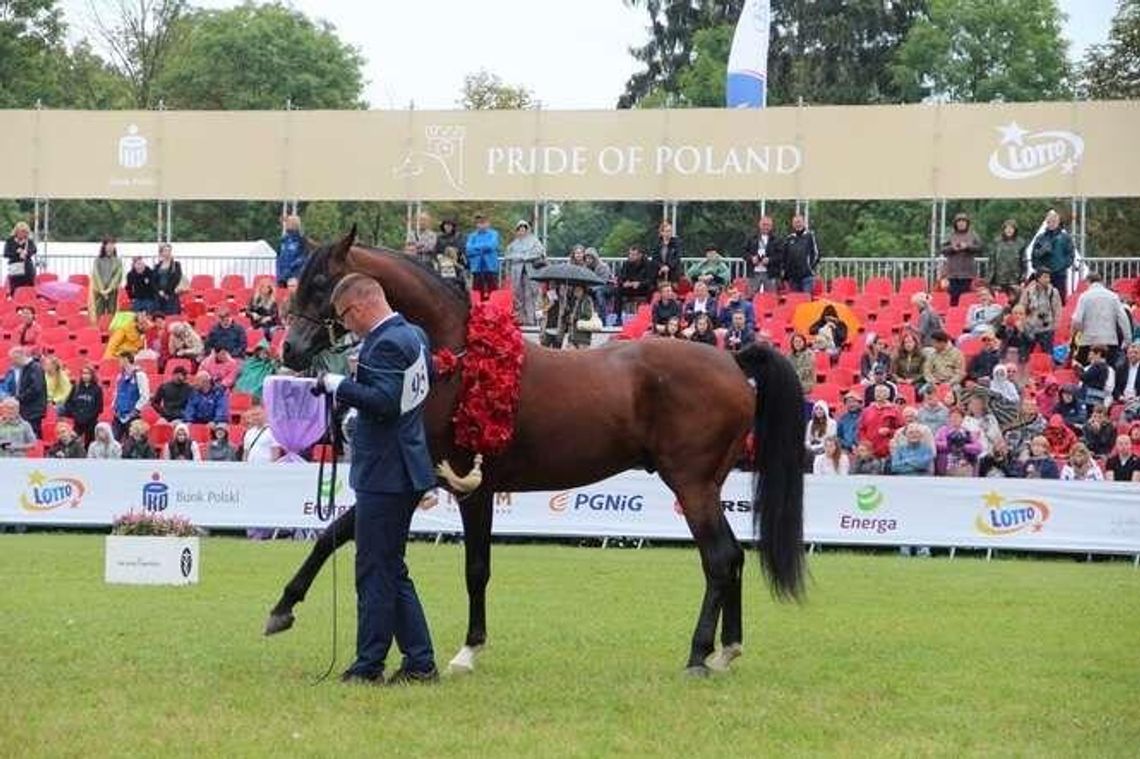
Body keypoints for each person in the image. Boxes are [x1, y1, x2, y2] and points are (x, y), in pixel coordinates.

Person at [314, 273, 438, 685]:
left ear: (362, 306)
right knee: (391, 567)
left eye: (345, 316)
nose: (346, 325)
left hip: (386, 470)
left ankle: (368, 665)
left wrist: (339, 386)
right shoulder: (414, 335)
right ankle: (419, 662)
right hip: (404, 462)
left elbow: (384, 402)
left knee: (373, 570)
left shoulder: (384, 344)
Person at [1071, 273, 1130, 365]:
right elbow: (1123, 319)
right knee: (1109, 372)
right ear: (1101, 282)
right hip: (1109, 340)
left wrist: (1081, 331)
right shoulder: (1113, 296)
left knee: (1086, 372)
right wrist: (1127, 340)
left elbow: (1077, 320)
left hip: (1088, 341)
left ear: (1088, 282)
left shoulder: (1084, 296)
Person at [503, 220, 546, 327]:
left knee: (530, 294)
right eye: (520, 228)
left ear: (527, 230)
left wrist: (525, 256)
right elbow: (508, 256)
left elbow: (540, 252)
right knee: (518, 295)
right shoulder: (513, 244)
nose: (522, 230)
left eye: (524, 228)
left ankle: (531, 319)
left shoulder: (534, 241)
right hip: (517, 272)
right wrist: (508, 273)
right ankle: (520, 319)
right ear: (517, 231)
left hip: (530, 272)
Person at [1030, 210, 1075, 305]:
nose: (1052, 223)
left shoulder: (1065, 238)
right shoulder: (1040, 238)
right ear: (1046, 222)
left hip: (1059, 274)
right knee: (1042, 301)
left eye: (1054, 221)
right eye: (1049, 221)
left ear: (1058, 222)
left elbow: (1071, 255)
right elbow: (1034, 255)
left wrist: (1062, 265)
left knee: (1059, 300)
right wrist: (1042, 254)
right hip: (1043, 275)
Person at [939, 212, 982, 307]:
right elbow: (942, 249)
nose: (961, 223)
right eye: (959, 221)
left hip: (968, 273)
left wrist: (967, 247)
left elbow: (980, 248)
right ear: (955, 223)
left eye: (963, 221)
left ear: (967, 223)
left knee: (967, 297)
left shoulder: (973, 235)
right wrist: (952, 248)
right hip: (953, 273)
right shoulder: (950, 235)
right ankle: (954, 316)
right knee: (953, 298)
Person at [6, 347, 46, 437]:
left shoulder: (35, 368)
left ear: (18, 357)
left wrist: (18, 398)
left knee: (33, 434)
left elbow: (36, 389)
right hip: (27, 408)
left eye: (13, 360)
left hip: (34, 410)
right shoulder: (26, 369)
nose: (12, 363)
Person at [111, 353, 151, 440]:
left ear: (126, 359)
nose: (119, 362)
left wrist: (136, 409)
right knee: (114, 440)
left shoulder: (139, 375)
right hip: (119, 415)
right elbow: (116, 392)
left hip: (133, 415)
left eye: (120, 359)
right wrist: (114, 406)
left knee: (132, 442)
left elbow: (145, 395)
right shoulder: (120, 376)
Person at [62, 365, 103, 445]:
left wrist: (88, 417)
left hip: (91, 423)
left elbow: (99, 408)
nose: (85, 375)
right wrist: (75, 415)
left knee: (89, 445)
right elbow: (68, 404)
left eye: (88, 373)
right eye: (83, 373)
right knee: (72, 443)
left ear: (92, 375)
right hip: (78, 422)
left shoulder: (97, 389)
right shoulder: (76, 387)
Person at [743, 215, 784, 295]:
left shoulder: (777, 240)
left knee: (771, 298)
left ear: (771, 226)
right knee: (750, 297)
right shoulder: (751, 238)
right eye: (764, 224)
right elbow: (743, 252)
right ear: (759, 225)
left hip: (770, 274)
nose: (766, 227)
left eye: (768, 225)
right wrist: (751, 258)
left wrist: (770, 260)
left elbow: (781, 255)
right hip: (754, 273)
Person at [935, 408, 982, 476]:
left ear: (962, 419)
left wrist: (963, 446)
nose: (954, 419)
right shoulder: (942, 430)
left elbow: (978, 447)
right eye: (952, 416)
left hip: (964, 464)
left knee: (965, 469)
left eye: (957, 417)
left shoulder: (967, 432)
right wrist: (950, 445)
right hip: (947, 464)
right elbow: (935, 444)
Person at [465, 214, 500, 302]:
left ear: (488, 223)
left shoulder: (494, 234)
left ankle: (494, 310)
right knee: (477, 291)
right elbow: (469, 249)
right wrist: (483, 249)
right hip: (477, 267)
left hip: (490, 267)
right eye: (479, 223)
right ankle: (478, 311)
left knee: (493, 291)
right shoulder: (472, 236)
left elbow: (492, 246)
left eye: (484, 222)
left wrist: (476, 248)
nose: (481, 225)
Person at [783, 214, 820, 294]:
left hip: (807, 276)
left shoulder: (810, 236)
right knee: (795, 302)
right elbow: (785, 256)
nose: (797, 224)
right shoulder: (789, 238)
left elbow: (816, 254)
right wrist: (786, 271)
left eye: (799, 222)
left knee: (806, 301)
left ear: (803, 223)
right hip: (793, 277)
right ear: (793, 224)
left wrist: (809, 267)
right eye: (795, 222)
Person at [89, 237, 124, 321]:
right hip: (99, 291)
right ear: (104, 246)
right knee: (98, 313)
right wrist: (102, 290)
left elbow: (117, 276)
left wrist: (109, 289)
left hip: (112, 292)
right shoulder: (97, 260)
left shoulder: (118, 261)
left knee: (112, 313)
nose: (110, 247)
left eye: (112, 245)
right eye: (108, 244)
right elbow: (96, 275)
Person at [988, 219, 1023, 299]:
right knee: (999, 300)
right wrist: (990, 278)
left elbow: (1024, 261)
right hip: (999, 279)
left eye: (1011, 228)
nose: (1009, 230)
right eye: (1007, 228)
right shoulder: (996, 242)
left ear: (1015, 230)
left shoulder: (1021, 243)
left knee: (1014, 300)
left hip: (1015, 279)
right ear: (1003, 230)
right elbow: (992, 261)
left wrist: (1023, 278)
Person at [615, 245, 654, 316]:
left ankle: (648, 314)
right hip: (630, 288)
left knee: (651, 289)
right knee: (618, 290)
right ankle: (618, 316)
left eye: (633, 254)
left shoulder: (648, 264)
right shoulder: (626, 263)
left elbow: (650, 280)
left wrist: (640, 283)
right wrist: (624, 283)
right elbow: (620, 277)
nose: (631, 256)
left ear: (640, 255)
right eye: (630, 254)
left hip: (643, 288)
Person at [562, 284, 598, 350]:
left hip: (582, 336)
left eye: (578, 290)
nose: (576, 292)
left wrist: (574, 317)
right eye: (575, 290)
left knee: (582, 357)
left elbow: (587, 315)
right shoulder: (575, 301)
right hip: (573, 335)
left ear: (583, 290)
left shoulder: (586, 300)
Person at [4, 221, 36, 295]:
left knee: (28, 289)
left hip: (27, 269)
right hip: (15, 268)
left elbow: (34, 250)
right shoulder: (10, 241)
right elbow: (6, 253)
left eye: (25, 232)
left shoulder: (29, 241)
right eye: (21, 231)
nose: (23, 234)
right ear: (16, 231)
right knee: (15, 288)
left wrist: (26, 253)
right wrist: (17, 252)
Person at [153, 243, 185, 316]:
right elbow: (154, 281)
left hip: (171, 295)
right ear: (161, 253)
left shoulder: (176, 265)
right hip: (159, 296)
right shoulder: (157, 266)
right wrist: (159, 291)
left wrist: (166, 292)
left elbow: (176, 278)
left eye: (169, 251)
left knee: (172, 315)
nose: (168, 253)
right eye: (165, 251)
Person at [276, 214, 307, 286]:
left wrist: (290, 269)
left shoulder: (301, 239)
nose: (286, 225)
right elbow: (278, 256)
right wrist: (278, 273)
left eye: (288, 222)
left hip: (294, 276)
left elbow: (303, 257)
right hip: (281, 277)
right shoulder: (283, 240)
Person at [804, 400, 835, 468]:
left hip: (825, 448)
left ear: (825, 410)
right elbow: (807, 439)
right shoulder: (811, 423)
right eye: (816, 409)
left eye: (821, 409)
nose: (818, 411)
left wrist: (815, 448)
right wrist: (809, 446)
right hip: (811, 448)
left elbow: (830, 440)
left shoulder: (832, 423)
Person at [651, 221, 683, 285]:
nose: (669, 233)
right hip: (660, 272)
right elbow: (654, 257)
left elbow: (677, 257)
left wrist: (668, 266)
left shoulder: (677, 242)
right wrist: (662, 266)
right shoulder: (656, 243)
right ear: (662, 232)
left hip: (673, 272)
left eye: (670, 231)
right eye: (667, 231)